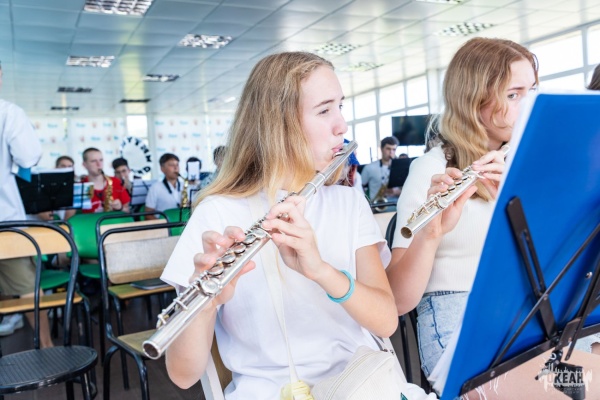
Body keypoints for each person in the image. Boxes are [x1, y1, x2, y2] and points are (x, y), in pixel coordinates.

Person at [161, 52, 400, 399]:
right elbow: (183, 375)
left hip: (360, 384)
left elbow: (386, 321)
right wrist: (207, 304)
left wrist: (321, 271)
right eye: (324, 110)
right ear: (279, 124)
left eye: (340, 106)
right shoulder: (217, 213)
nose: (342, 125)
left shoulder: (348, 202)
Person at [387, 37, 600, 398]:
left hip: (533, 324)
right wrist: (431, 232)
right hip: (465, 334)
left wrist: (525, 196)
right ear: (474, 101)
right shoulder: (432, 169)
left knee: (590, 382)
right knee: (582, 389)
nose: (528, 104)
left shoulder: (529, 161)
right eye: (514, 95)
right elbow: (398, 300)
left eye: (532, 90)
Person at [0, 62, 53, 346]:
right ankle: (47, 348)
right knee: (26, 287)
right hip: (4, 222)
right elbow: (28, 156)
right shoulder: (8, 112)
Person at [80, 147, 130, 213]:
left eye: (101, 160)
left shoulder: (116, 182)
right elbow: (69, 217)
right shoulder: (79, 186)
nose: (99, 164)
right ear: (84, 165)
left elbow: (128, 211)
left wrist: (120, 208)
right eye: (93, 161)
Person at [360, 136, 401, 202]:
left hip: (396, 203)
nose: (391, 152)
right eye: (388, 149)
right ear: (381, 149)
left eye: (394, 149)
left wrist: (397, 192)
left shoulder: (400, 167)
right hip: (376, 204)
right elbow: (360, 186)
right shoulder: (369, 167)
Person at [144, 153, 184, 219]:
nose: (176, 168)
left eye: (177, 164)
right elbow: (148, 215)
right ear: (162, 169)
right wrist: (164, 224)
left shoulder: (185, 186)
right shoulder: (155, 188)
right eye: (171, 165)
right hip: (164, 224)